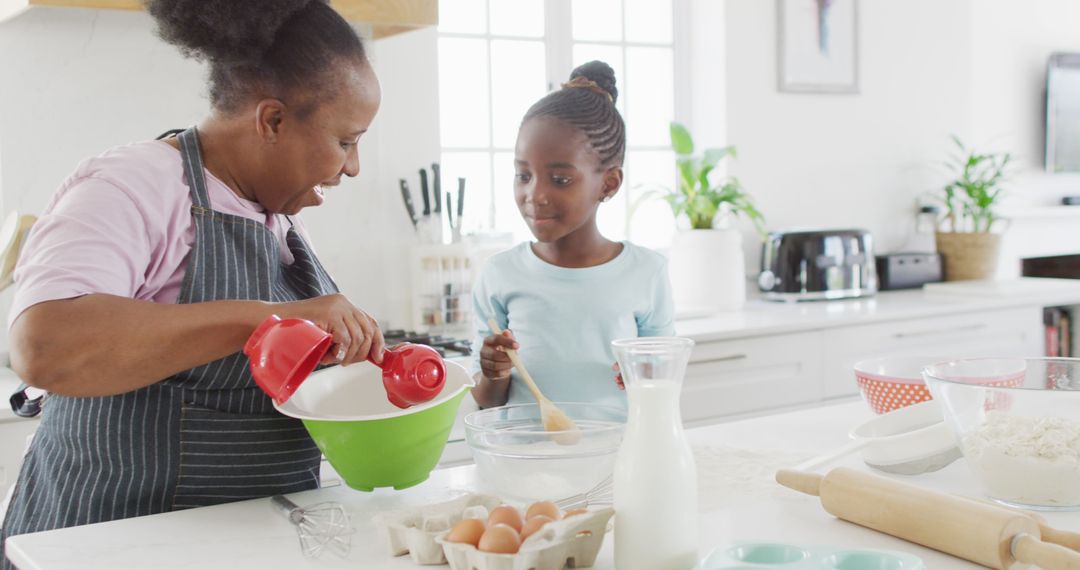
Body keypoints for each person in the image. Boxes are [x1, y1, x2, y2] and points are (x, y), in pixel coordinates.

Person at [0, 0, 384, 562]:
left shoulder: (273, 218)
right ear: (272, 120)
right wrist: (268, 319)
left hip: (231, 549)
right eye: (347, 141)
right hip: (111, 547)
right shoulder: (136, 183)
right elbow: (45, 345)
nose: (353, 167)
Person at [471, 61, 675, 411]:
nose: (534, 194)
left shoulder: (647, 272)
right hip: (527, 458)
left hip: (617, 457)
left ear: (608, 183)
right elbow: (487, 403)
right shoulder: (498, 275)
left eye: (560, 179)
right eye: (523, 175)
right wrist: (493, 373)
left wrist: (646, 379)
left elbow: (662, 391)